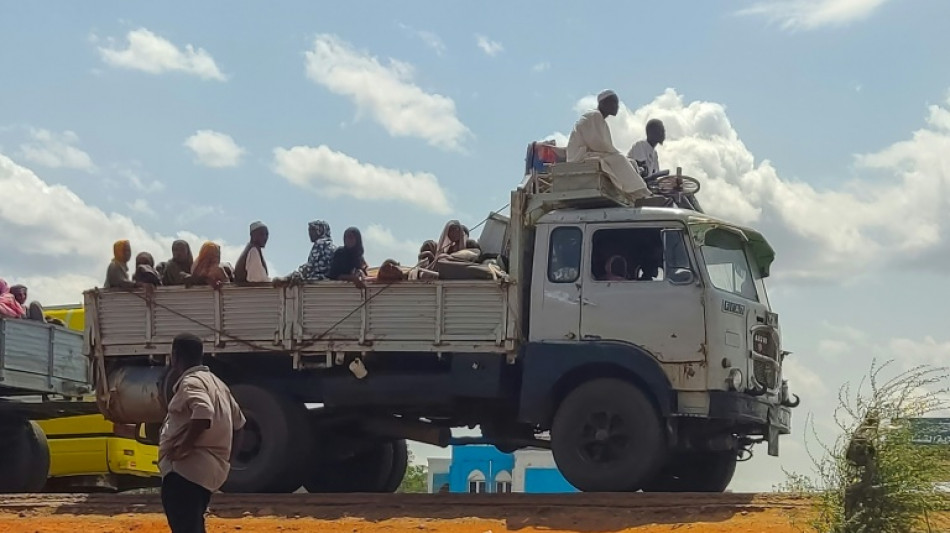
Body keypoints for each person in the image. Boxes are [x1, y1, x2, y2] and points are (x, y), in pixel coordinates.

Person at [159, 333, 245, 533]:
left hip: (185, 473)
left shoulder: (191, 382)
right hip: (205, 475)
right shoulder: (218, 384)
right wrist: (227, 460)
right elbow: (240, 425)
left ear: (175, 356)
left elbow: (204, 412)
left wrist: (183, 449)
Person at [566, 90, 649, 199]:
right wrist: (617, 153)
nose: (617, 106)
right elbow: (599, 144)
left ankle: (634, 195)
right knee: (619, 159)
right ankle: (642, 194)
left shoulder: (598, 118)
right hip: (580, 157)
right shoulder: (594, 116)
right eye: (613, 103)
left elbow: (602, 146)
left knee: (631, 162)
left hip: (589, 153)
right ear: (603, 103)